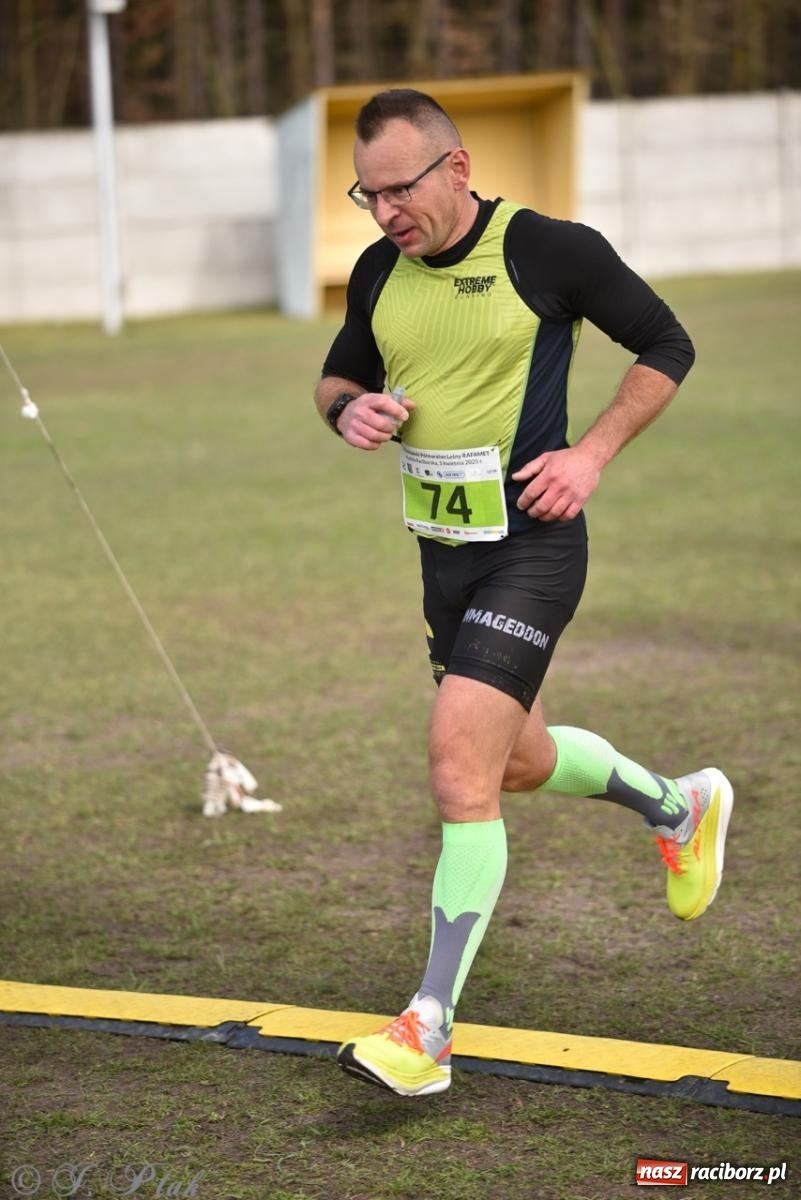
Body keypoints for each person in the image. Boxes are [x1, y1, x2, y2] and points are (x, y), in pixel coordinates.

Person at [314, 88, 733, 1098]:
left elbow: (666, 343)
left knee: (460, 764)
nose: (384, 214)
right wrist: (351, 413)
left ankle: (428, 1028)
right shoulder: (380, 272)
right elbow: (333, 381)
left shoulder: (548, 250)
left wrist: (590, 454)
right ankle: (679, 808)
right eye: (366, 196)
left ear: (456, 168)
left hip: (534, 548)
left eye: (399, 190)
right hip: (444, 559)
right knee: (517, 762)